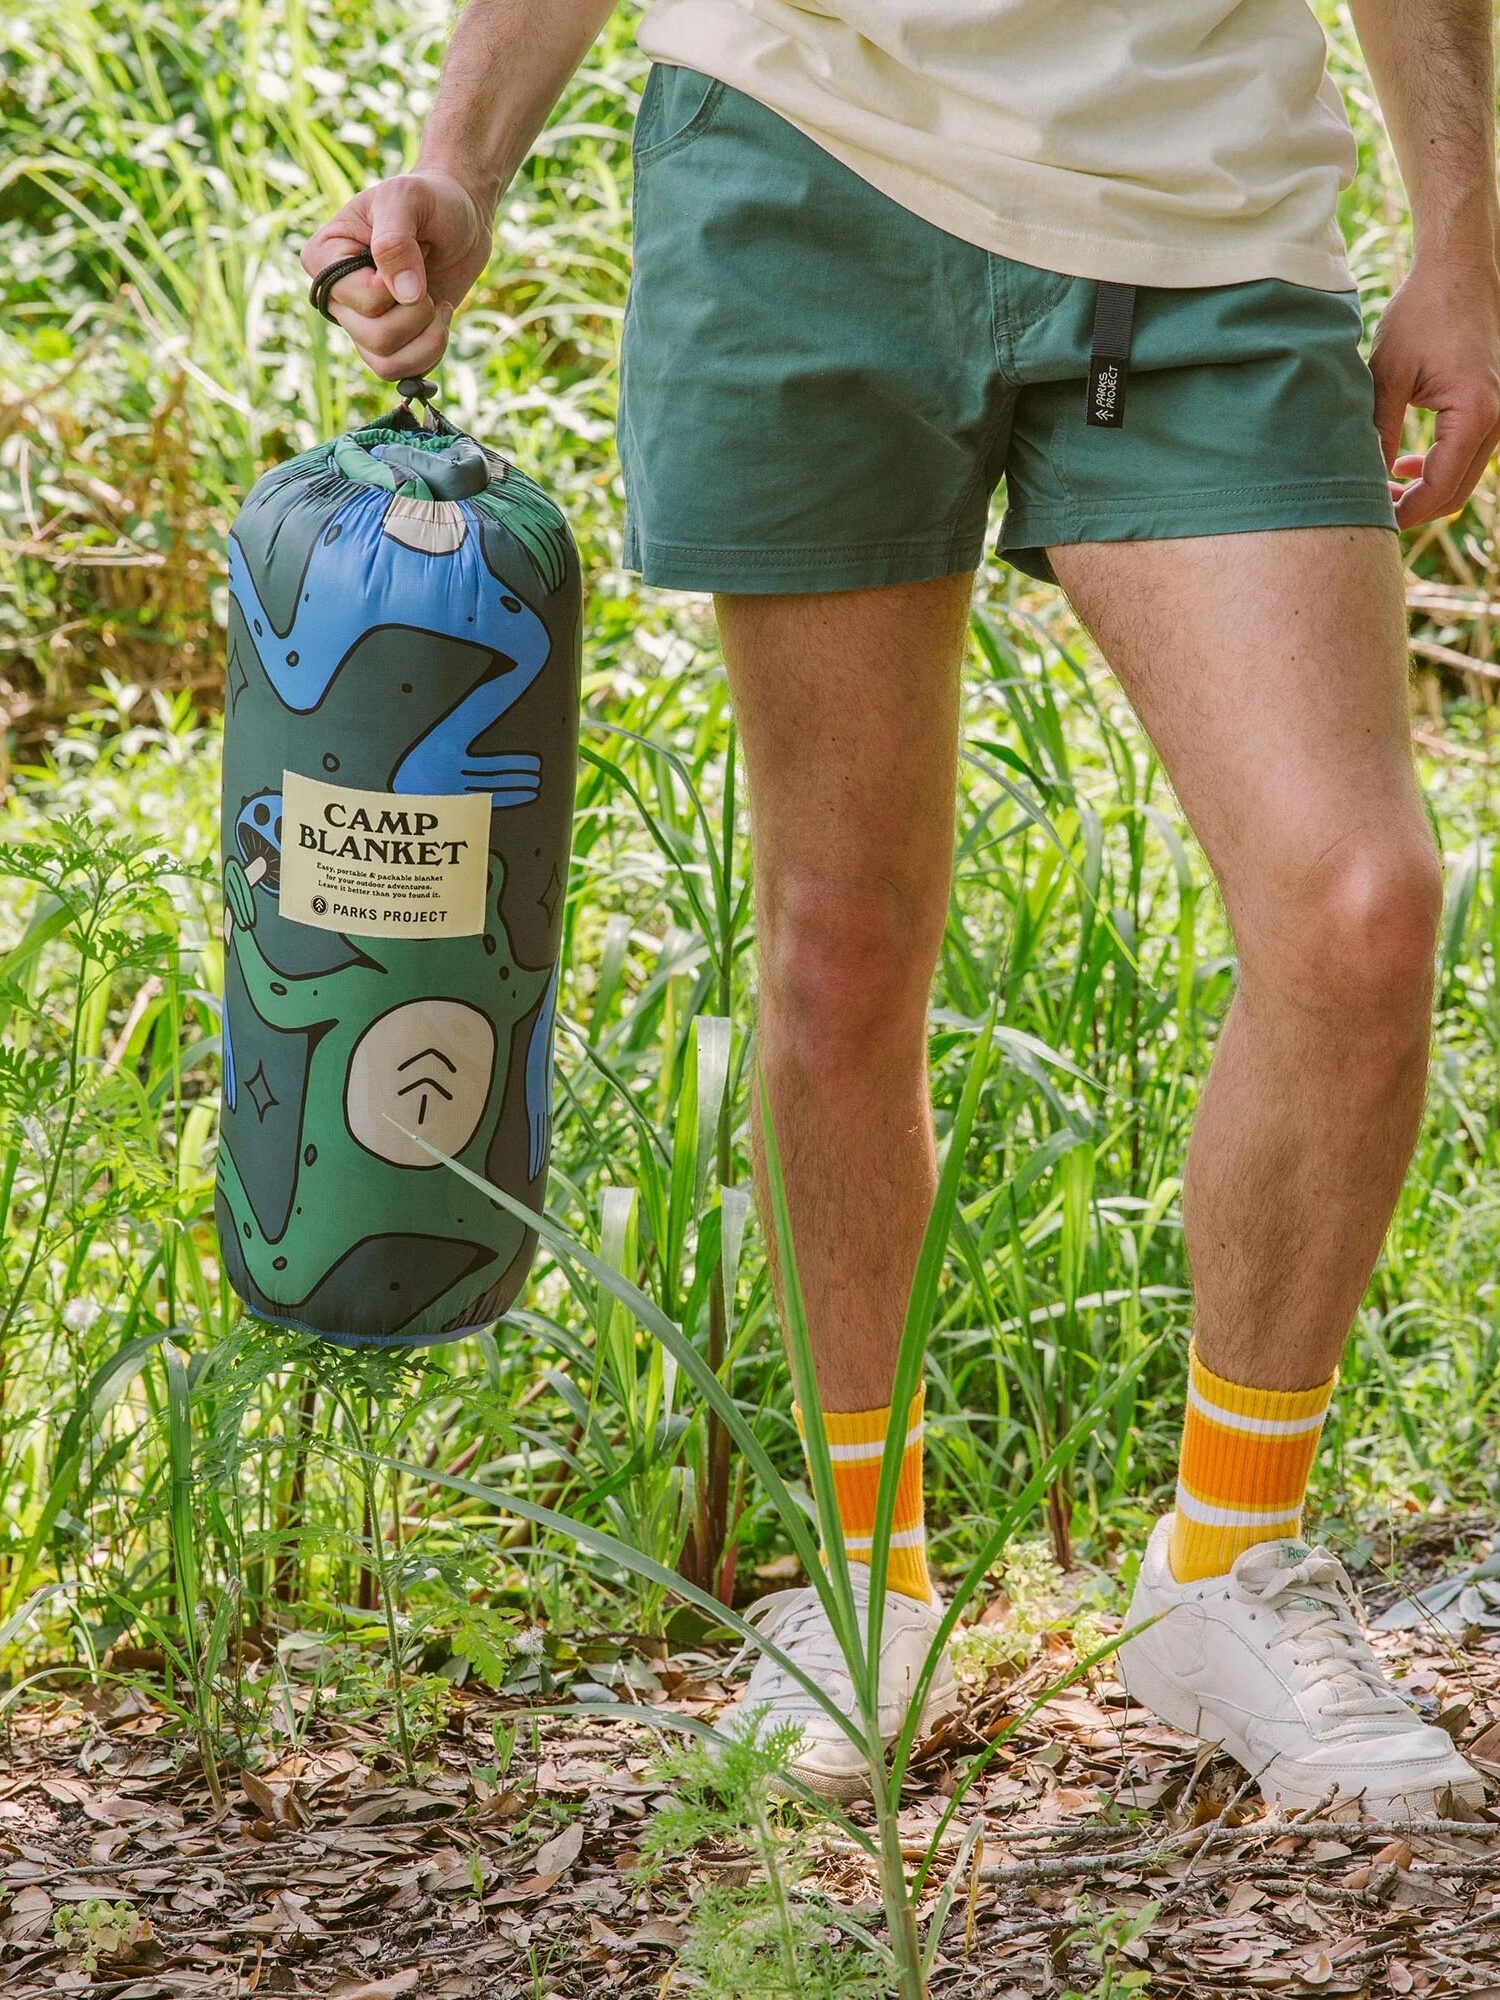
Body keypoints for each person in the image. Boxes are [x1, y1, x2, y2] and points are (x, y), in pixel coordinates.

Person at [303, 0, 1500, 1813]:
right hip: (802, 173)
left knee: (1358, 908)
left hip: (1202, 214)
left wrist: (1463, 237)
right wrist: (459, 163)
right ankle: (866, 1589)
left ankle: (1228, 1561)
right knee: (838, 945)